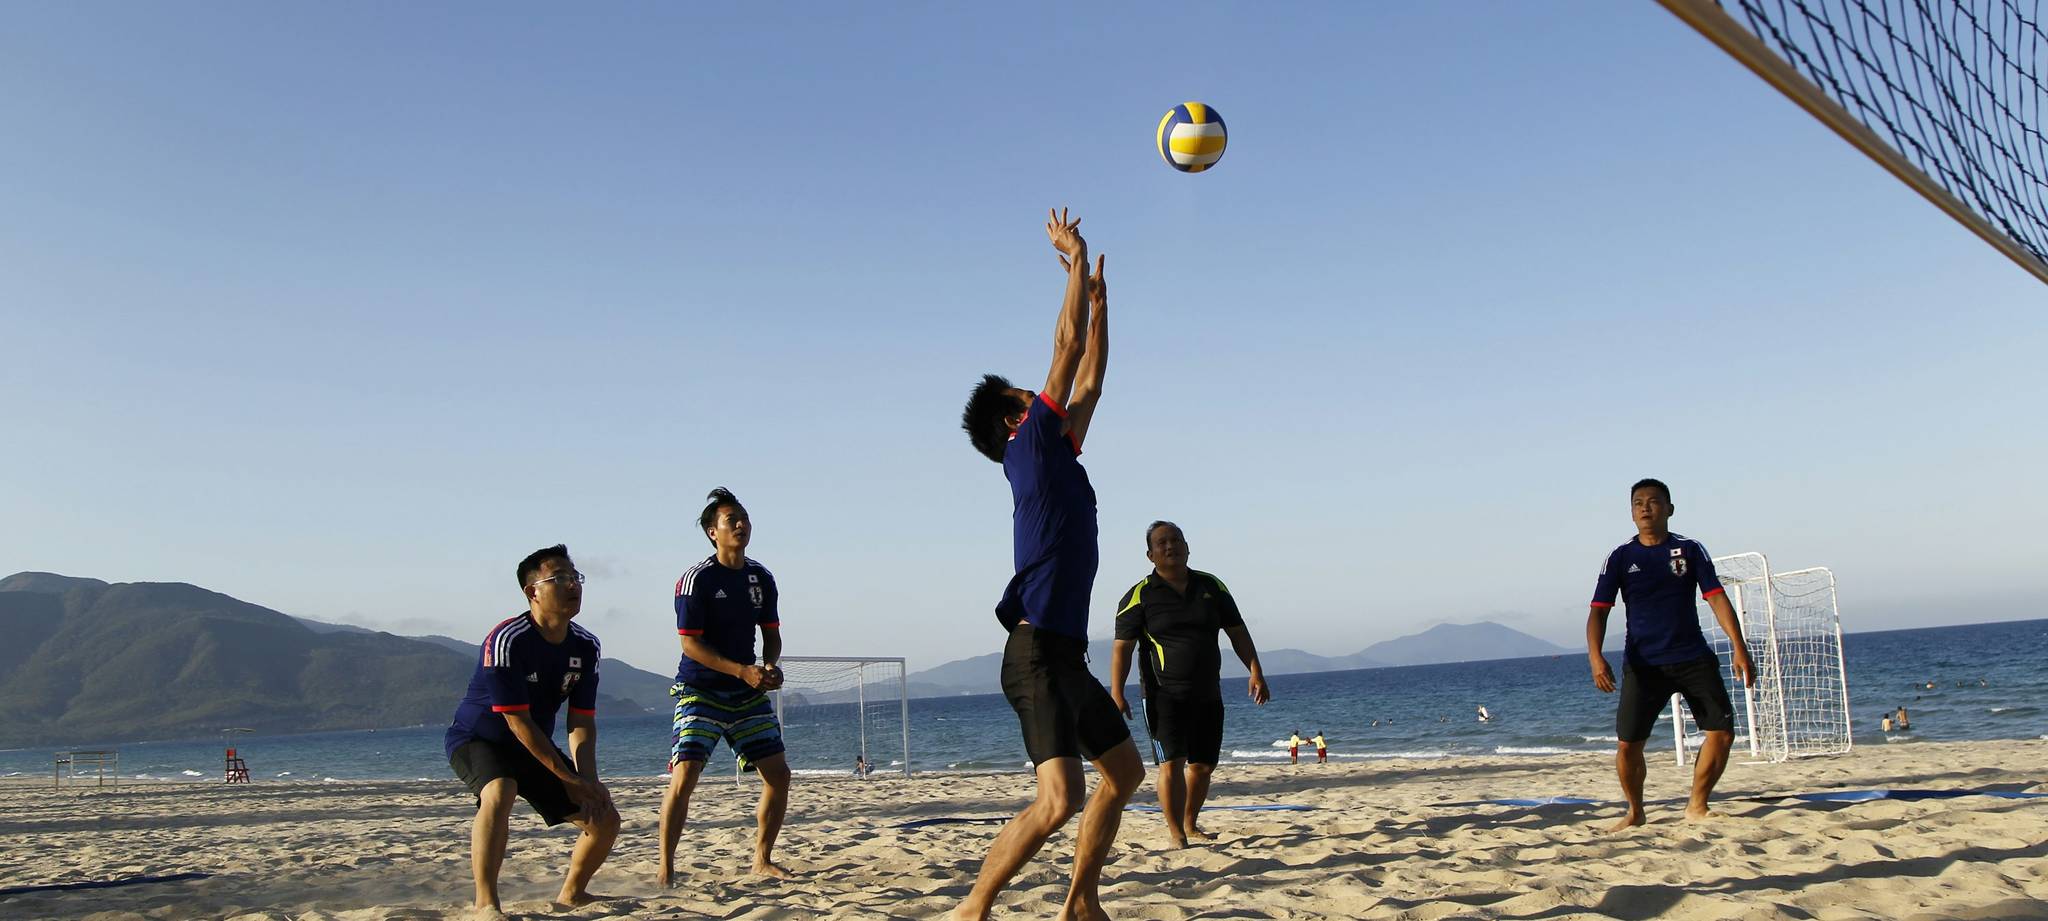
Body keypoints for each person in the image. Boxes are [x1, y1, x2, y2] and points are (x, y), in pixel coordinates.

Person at [952, 208, 1142, 921]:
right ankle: (973, 908)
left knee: (1123, 772)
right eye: (1026, 397)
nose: (1039, 395)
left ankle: (1079, 901)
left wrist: (1099, 304)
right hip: (1033, 654)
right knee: (1059, 798)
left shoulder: (1055, 447)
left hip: (1065, 654)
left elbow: (1089, 380)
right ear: (1013, 418)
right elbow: (1066, 347)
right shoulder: (1028, 445)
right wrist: (1076, 257)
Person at [444, 545, 620, 916]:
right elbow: (517, 721)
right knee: (500, 789)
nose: (572, 585)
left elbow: (581, 721)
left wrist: (588, 780)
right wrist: (568, 779)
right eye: (560, 578)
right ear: (532, 592)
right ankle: (486, 903)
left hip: (534, 747)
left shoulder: (586, 646)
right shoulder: (507, 639)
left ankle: (573, 894)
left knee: (605, 819)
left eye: (575, 577)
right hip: (480, 739)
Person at [1586, 478, 1756, 831]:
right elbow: (1599, 611)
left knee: (1722, 733)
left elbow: (1716, 597)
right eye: (1638, 503)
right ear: (1632, 513)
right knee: (1628, 745)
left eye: (1653, 501)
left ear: (1669, 509)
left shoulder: (1689, 549)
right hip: (1644, 664)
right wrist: (1595, 657)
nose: (1645, 508)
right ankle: (1635, 811)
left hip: (1692, 656)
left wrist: (1739, 647)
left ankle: (1697, 805)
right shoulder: (1620, 557)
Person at [658, 488, 795, 884]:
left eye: (744, 518)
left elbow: (771, 633)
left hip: (746, 692)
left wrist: (769, 666)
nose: (740, 524)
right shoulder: (696, 580)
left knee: (779, 776)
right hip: (700, 690)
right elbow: (690, 644)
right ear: (712, 532)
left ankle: (761, 859)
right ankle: (666, 869)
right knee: (686, 775)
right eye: (731, 519)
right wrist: (741, 670)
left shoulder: (761, 577)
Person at [1109, 520, 1272, 847]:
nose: (1170, 546)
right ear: (1150, 554)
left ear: (1187, 547)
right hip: (1162, 694)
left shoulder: (1211, 586)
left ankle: (1191, 823)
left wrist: (1255, 670)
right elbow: (1121, 649)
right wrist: (1117, 692)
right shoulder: (1139, 596)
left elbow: (1237, 631)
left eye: (1176, 539)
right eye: (1162, 542)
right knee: (1171, 763)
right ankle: (1176, 834)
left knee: (1203, 766)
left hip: (1207, 691)